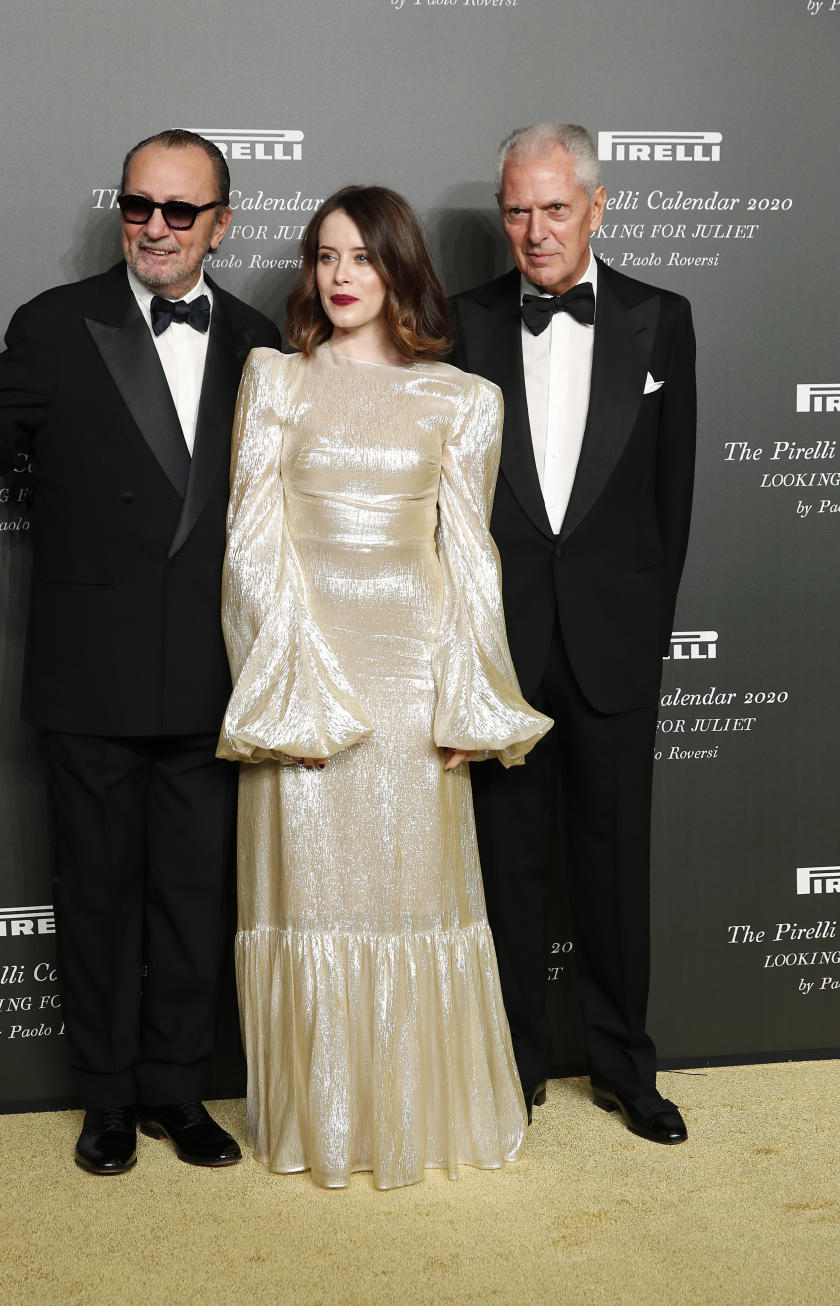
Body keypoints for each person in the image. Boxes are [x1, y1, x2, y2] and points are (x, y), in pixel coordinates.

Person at [0, 129, 280, 1174]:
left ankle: (179, 1089)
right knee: (96, 898)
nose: (154, 227)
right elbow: (1, 411)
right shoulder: (55, 321)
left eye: (179, 210)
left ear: (219, 223)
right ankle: (107, 1099)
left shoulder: (261, 342)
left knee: (193, 899)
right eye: (138, 205)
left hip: (213, 674)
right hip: (92, 673)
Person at [216, 185, 551, 1189]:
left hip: (411, 678)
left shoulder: (462, 398)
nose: (341, 275)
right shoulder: (275, 379)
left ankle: (421, 1117)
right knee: (313, 897)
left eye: (363, 256)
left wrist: (470, 700)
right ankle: (330, 1123)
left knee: (416, 898)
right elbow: (251, 547)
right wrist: (289, 694)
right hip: (311, 669)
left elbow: (471, 560)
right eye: (326, 256)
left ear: (401, 269)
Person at [450, 124, 696, 1144]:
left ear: (597, 207)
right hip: (503, 647)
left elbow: (669, 502)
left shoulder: (660, 318)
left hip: (612, 645)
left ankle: (625, 1066)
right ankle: (514, 1066)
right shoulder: (462, 323)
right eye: (516, 209)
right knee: (508, 867)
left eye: (555, 207)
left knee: (614, 865)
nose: (534, 230)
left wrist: (641, 633)